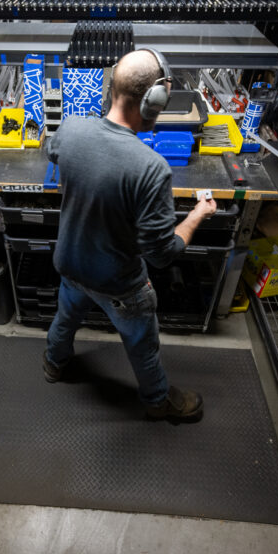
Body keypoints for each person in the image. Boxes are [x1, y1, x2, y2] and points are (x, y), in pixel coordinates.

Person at [43, 49, 217, 420]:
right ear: (153, 102)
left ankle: (53, 365)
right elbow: (162, 253)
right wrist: (198, 214)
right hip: (119, 283)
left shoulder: (71, 127)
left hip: (71, 264)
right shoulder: (150, 168)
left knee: (65, 320)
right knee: (143, 347)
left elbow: (54, 153)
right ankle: (157, 401)